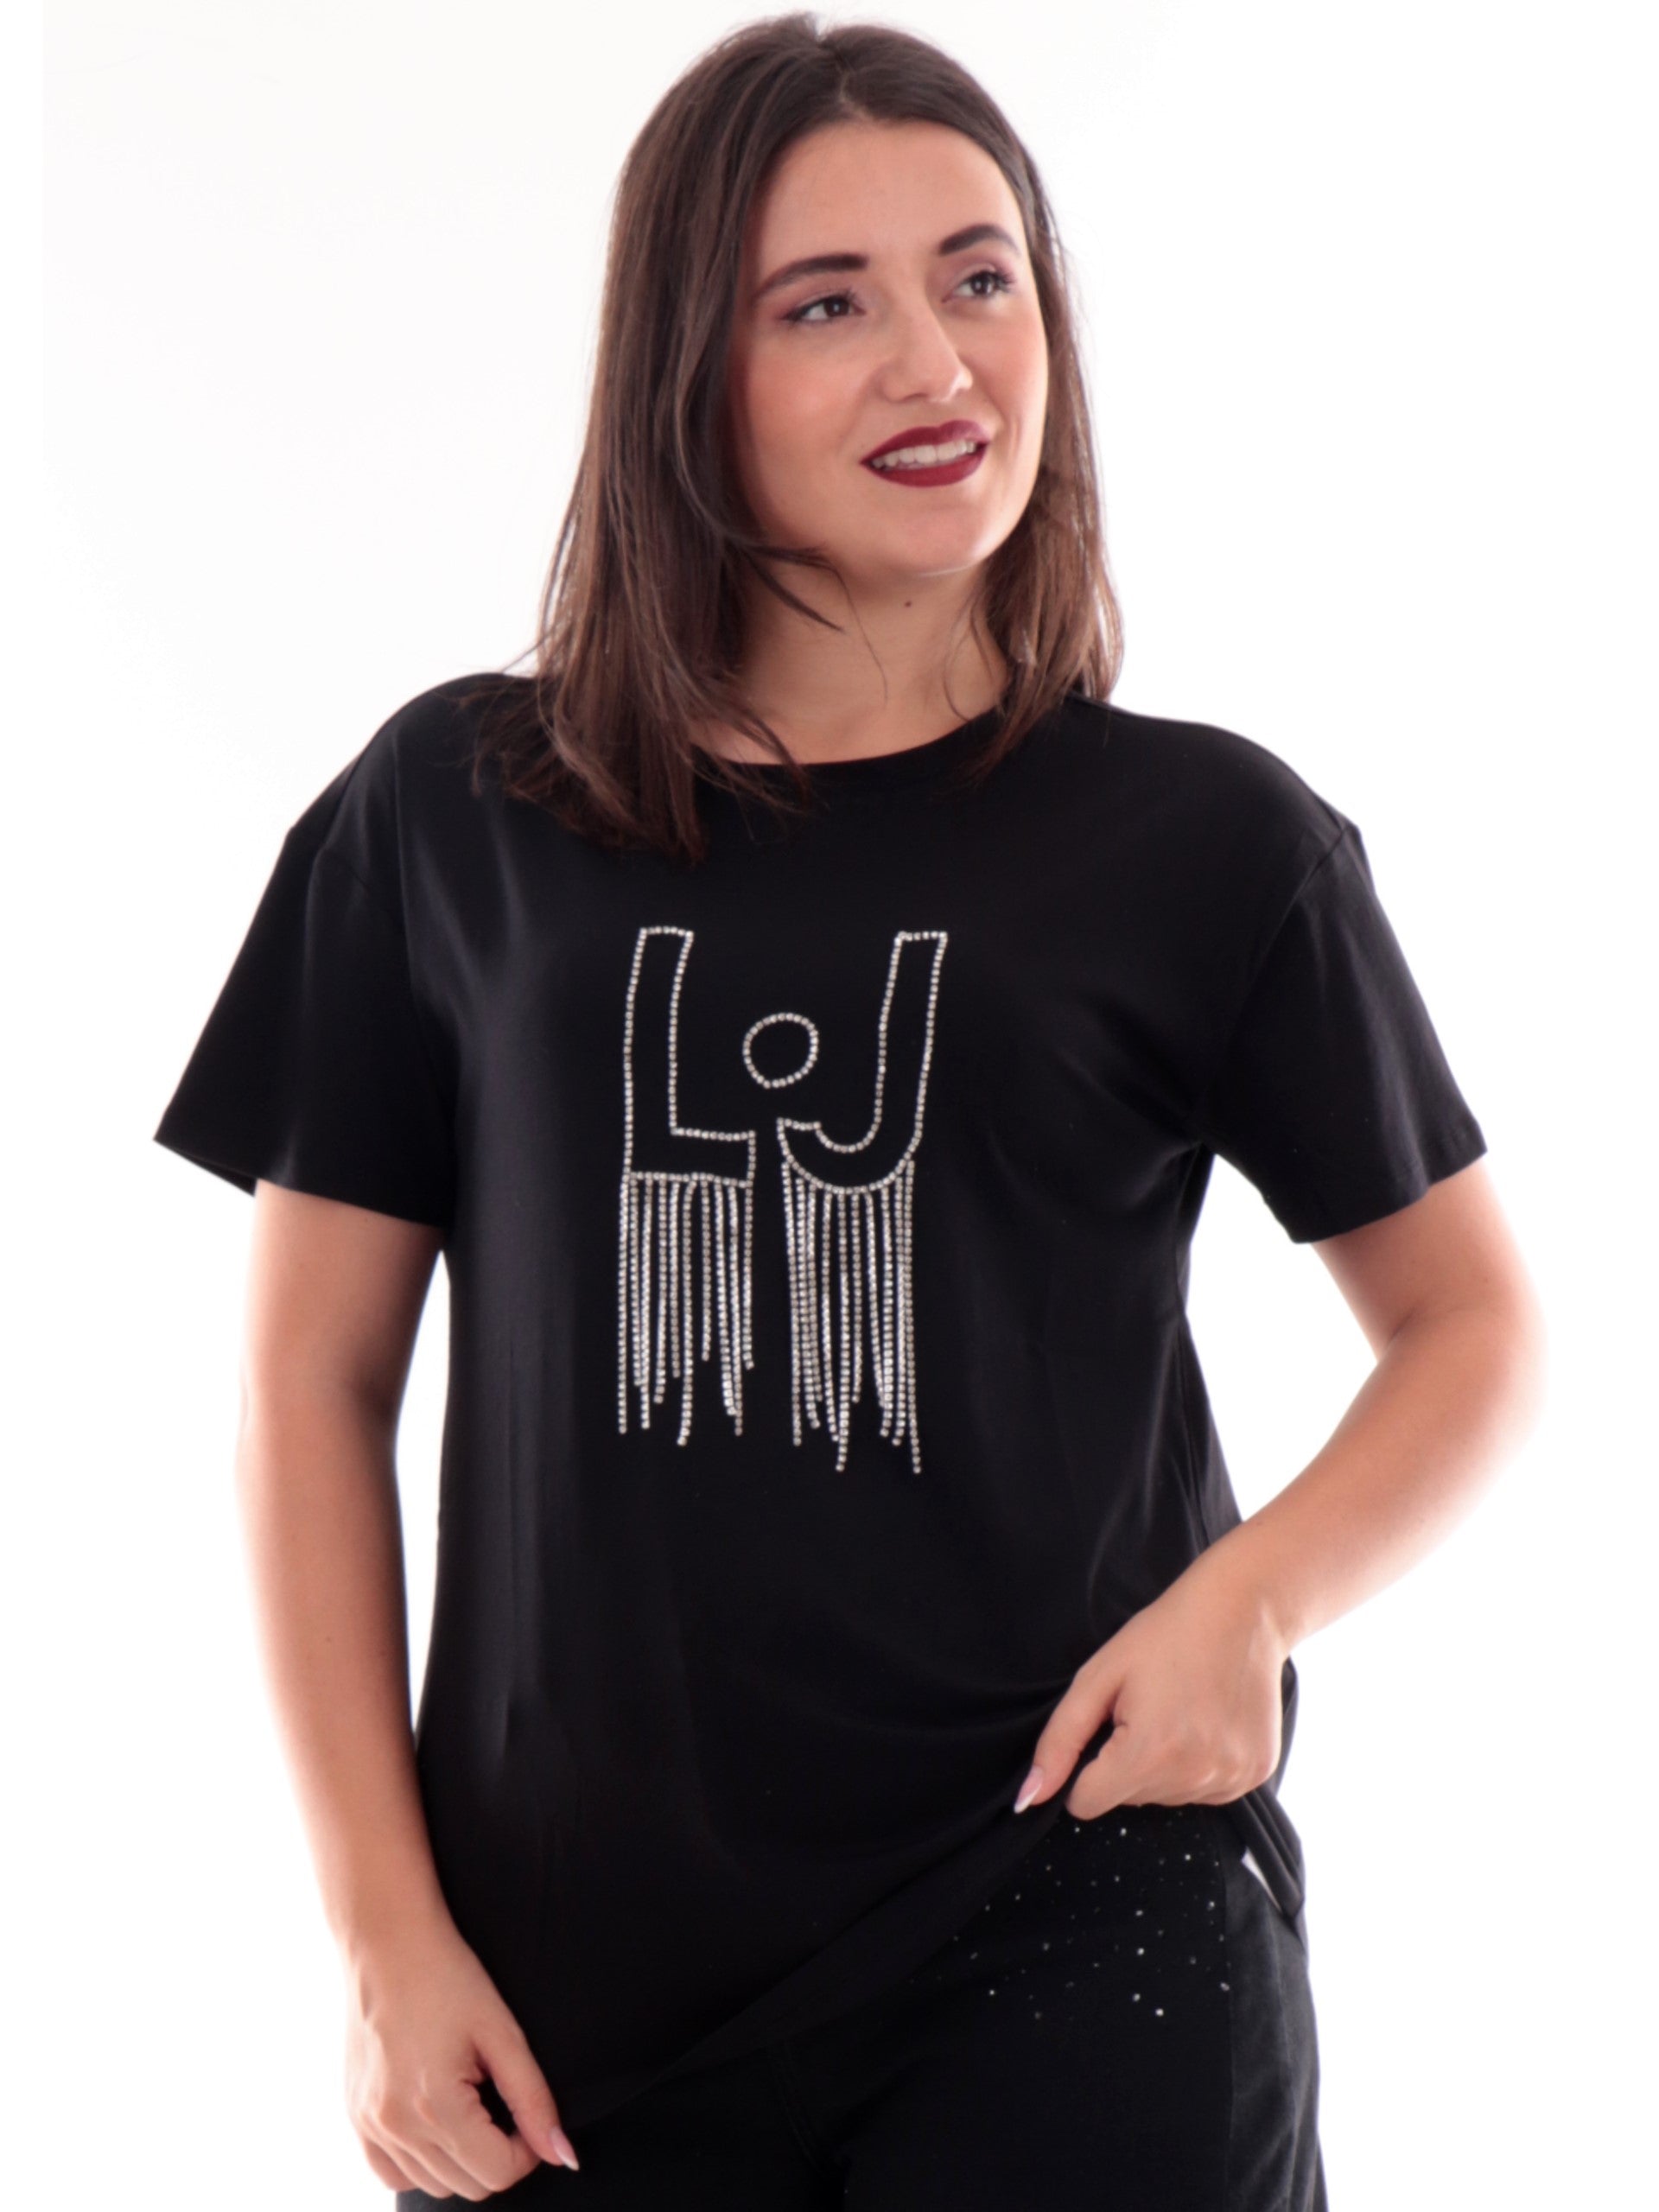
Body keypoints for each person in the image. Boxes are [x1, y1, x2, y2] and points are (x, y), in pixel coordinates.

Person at [151, 15, 1546, 2208]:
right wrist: (379, 1934)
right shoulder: (452, 813)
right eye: (827, 304)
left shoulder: (1213, 842)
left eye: (982, 277)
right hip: (566, 2013)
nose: (937, 360)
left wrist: (1256, 1601)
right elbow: (308, 1389)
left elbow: (1472, 1325)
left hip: (1078, 1932)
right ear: (682, 375)